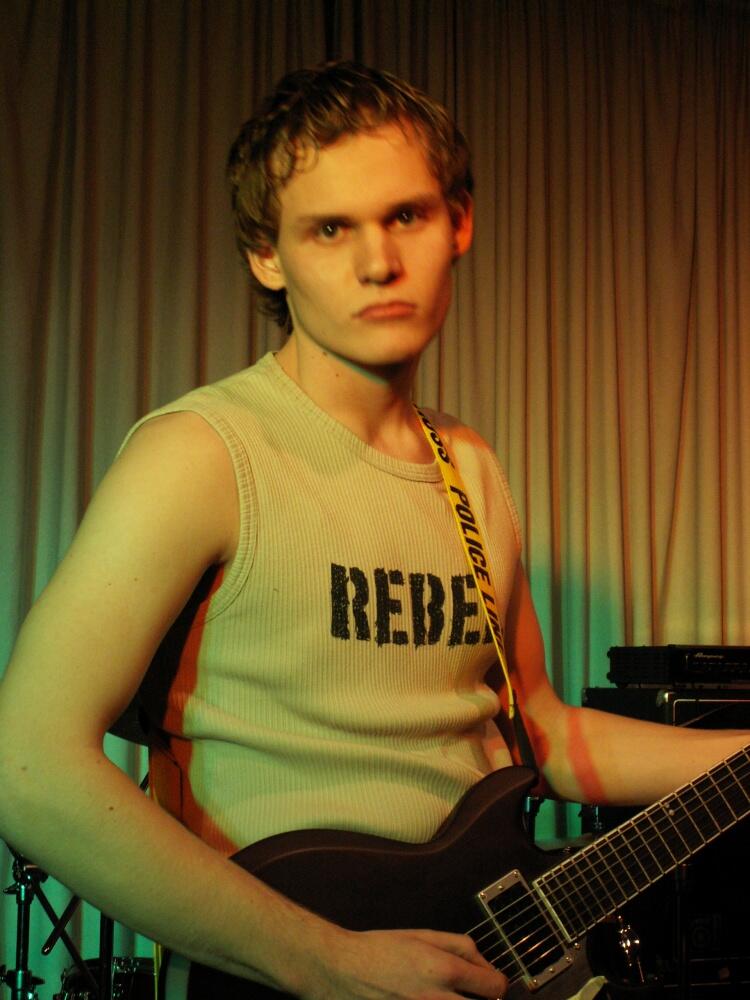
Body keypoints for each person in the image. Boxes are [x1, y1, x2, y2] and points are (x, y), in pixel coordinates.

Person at [0, 61, 746, 1000]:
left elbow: (541, 733)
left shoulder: (470, 466)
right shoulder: (201, 454)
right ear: (267, 256)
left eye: (406, 216)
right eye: (329, 229)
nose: (378, 263)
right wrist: (328, 961)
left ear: (458, 223)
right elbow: (27, 766)